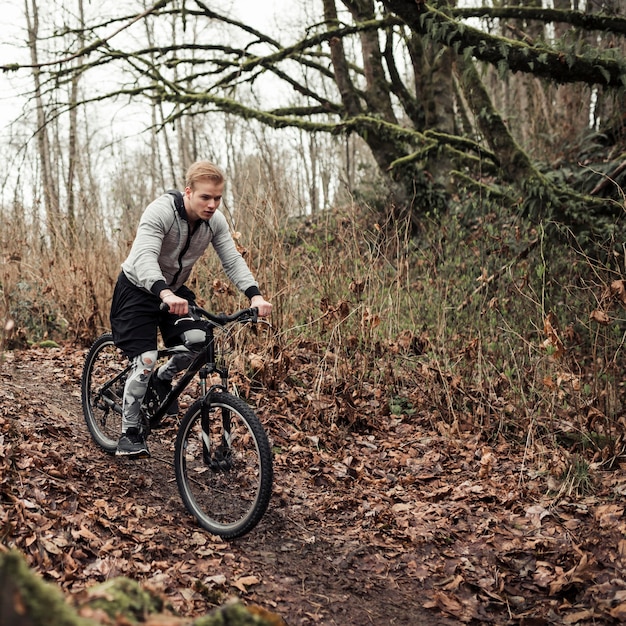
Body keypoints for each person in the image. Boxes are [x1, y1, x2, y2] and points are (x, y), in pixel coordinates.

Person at [110, 161, 272, 459]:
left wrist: (255, 296)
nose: (212, 204)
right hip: (138, 290)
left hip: (175, 293)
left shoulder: (214, 222)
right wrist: (164, 291)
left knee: (199, 344)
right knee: (146, 359)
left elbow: (232, 260)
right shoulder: (161, 212)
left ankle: (162, 378)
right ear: (188, 192)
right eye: (206, 197)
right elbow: (145, 256)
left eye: (218, 198)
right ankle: (129, 432)